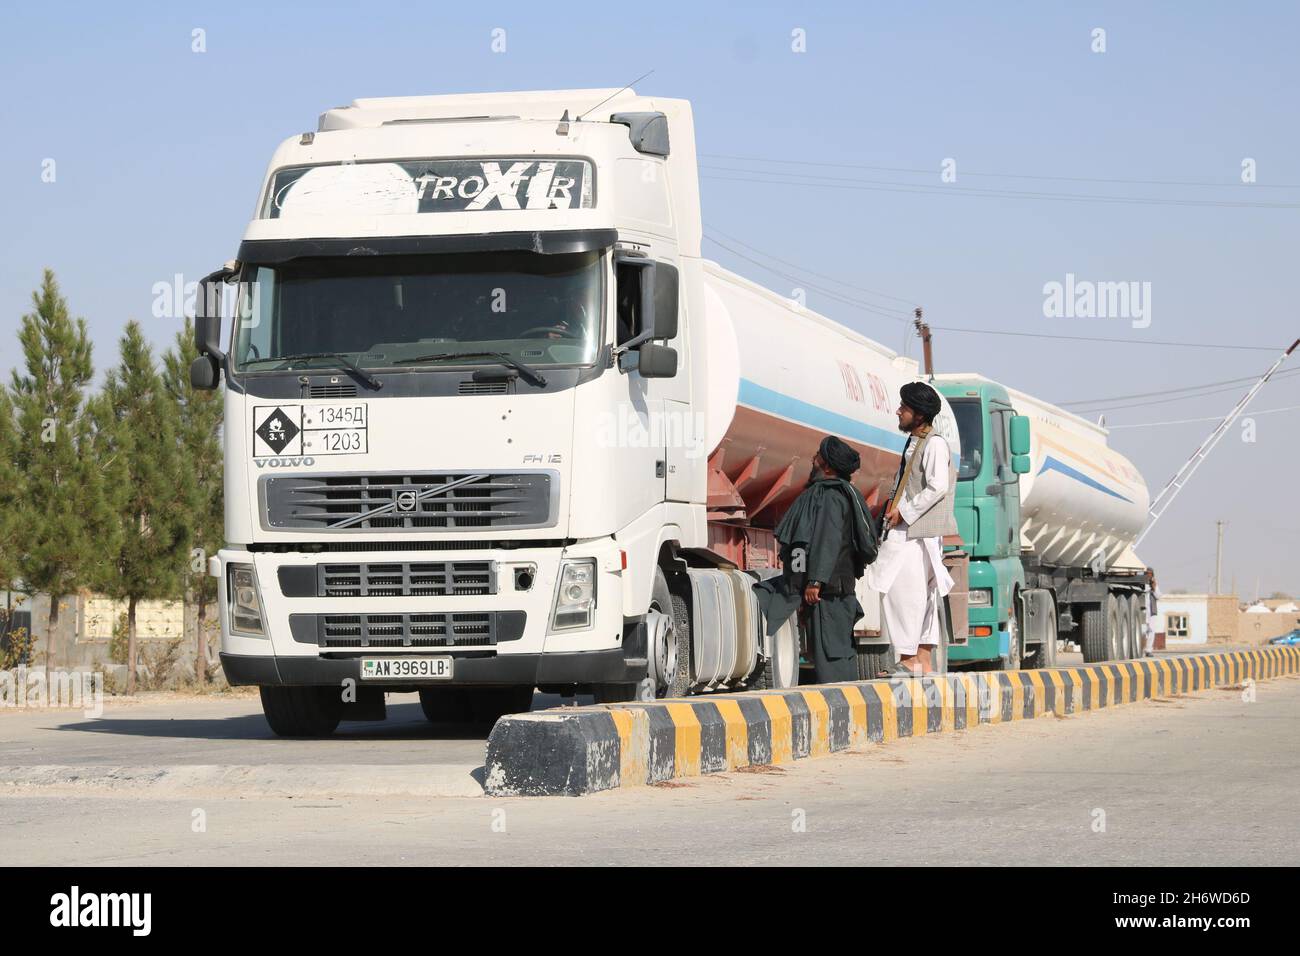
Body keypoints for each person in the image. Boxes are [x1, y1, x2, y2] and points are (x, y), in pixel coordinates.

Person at [754, 436, 878, 683]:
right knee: (838, 653)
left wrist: (814, 582)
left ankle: (843, 713)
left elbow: (825, 540)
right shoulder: (844, 493)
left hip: (827, 594)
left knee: (832, 660)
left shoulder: (829, 497)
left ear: (828, 466)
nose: (814, 459)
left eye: (819, 456)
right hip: (833, 593)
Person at [865, 381, 957, 676]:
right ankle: (921, 661)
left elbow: (938, 486)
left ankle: (909, 658)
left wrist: (903, 512)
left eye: (904, 407)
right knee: (917, 593)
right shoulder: (917, 441)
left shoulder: (935, 443)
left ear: (918, 414)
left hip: (915, 532)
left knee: (904, 591)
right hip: (912, 530)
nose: (898, 412)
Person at [1142, 568, 1161, 656]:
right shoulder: (1142, 584)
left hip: (1152, 612)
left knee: (1151, 631)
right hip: (1143, 611)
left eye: (1150, 574)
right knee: (1143, 631)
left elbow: (1158, 596)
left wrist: (1153, 587)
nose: (1149, 576)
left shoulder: (1154, 584)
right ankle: (1142, 649)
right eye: (1147, 574)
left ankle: (1148, 650)